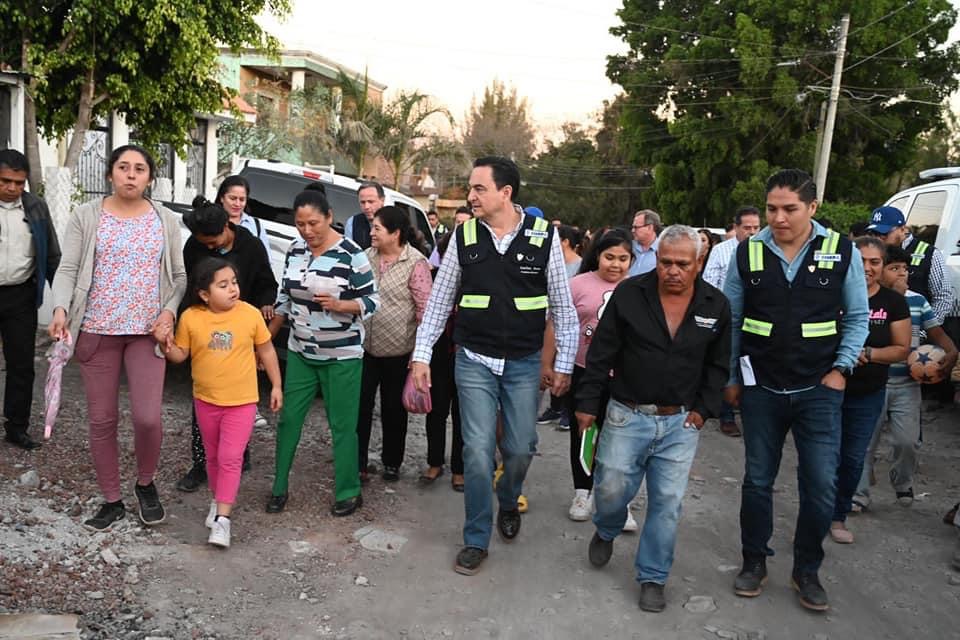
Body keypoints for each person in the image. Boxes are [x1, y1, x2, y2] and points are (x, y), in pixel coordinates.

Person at [410, 156, 578, 576]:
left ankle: (509, 497)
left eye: (479, 188)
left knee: (520, 449)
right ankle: (475, 536)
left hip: (523, 362)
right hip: (474, 360)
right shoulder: (463, 237)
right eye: (471, 188)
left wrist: (565, 364)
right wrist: (421, 355)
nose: (470, 196)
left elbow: (562, 305)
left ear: (506, 192)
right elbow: (440, 300)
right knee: (478, 452)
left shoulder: (543, 238)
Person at [724, 169, 869, 612]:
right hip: (761, 388)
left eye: (790, 209)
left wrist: (841, 369)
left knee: (821, 486)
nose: (779, 218)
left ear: (813, 208)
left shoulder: (841, 250)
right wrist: (731, 377)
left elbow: (858, 316)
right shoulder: (748, 252)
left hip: (818, 389)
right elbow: (732, 320)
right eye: (772, 208)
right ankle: (754, 561)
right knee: (757, 483)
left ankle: (807, 569)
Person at [577, 225, 730, 612]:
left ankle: (653, 577)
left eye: (682, 264)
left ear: (699, 263)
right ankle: (607, 528)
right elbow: (602, 353)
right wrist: (588, 404)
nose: (672, 271)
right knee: (610, 488)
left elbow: (718, 364)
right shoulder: (630, 294)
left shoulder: (716, 305)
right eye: (665, 262)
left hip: (680, 423)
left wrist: (703, 411)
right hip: (627, 416)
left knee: (667, 501)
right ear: (656, 260)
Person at [49, 144, 187, 531]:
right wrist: (60, 308)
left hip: (147, 334)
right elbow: (69, 268)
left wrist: (168, 311)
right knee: (102, 419)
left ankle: (145, 483)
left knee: (147, 418)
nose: (130, 174)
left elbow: (179, 278)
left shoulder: (166, 220)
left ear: (149, 177)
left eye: (139, 168)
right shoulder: (86, 216)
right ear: (110, 173)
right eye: (123, 167)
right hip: (96, 329)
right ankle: (112, 500)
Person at [265, 190, 379, 517]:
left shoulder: (351, 254)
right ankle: (279, 487)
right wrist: (267, 343)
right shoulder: (296, 249)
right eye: (300, 224)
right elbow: (284, 298)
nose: (307, 230)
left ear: (329, 217)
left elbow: (373, 301)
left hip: (341, 355)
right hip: (300, 350)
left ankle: (348, 491)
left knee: (342, 425)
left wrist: (343, 305)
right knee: (288, 420)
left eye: (313, 223)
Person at [156, 258, 283, 548]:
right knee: (212, 457)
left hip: (242, 402)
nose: (232, 289)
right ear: (204, 294)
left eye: (234, 283)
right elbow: (180, 356)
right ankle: (219, 499)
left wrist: (276, 385)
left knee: (230, 457)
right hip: (206, 401)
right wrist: (166, 346)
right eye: (223, 285)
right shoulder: (191, 317)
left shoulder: (249, 315)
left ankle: (223, 520)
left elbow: (266, 350)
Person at [175, 197, 279, 492]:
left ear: (227, 226)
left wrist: (266, 304)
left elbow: (267, 283)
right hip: (206, 332)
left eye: (213, 241)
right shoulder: (194, 247)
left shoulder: (251, 246)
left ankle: (237, 456)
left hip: (241, 332)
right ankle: (201, 465)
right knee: (204, 400)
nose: (209, 248)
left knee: (239, 402)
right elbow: (191, 286)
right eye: (203, 243)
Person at [540, 229, 634, 523]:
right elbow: (555, 326)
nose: (615, 265)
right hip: (582, 372)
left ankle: (617, 500)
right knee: (585, 434)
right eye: (609, 257)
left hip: (624, 377)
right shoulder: (577, 284)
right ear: (597, 256)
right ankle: (583, 491)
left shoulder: (638, 289)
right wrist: (549, 365)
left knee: (619, 439)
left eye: (623, 258)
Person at [854, 245, 957, 511]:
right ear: (880, 272)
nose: (902, 274)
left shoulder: (918, 301)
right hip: (874, 382)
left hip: (907, 383)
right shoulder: (865, 299)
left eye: (905, 269)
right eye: (894, 268)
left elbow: (935, 332)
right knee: (866, 441)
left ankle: (902, 482)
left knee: (907, 441)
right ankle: (859, 493)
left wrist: (951, 349)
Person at [828, 237, 910, 545]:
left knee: (852, 459)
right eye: (859, 261)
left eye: (874, 262)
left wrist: (870, 354)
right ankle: (816, 512)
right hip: (828, 391)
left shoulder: (893, 303)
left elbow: (902, 349)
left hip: (867, 394)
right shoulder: (830, 296)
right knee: (824, 456)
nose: (866, 268)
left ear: (883, 266)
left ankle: (837, 516)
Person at [357, 206, 431, 482]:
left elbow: (425, 311)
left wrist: (419, 355)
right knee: (360, 407)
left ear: (396, 233)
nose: (371, 232)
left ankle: (392, 462)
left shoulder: (416, 263)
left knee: (393, 409)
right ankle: (358, 463)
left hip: (399, 351)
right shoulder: (365, 257)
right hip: (364, 349)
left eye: (377, 228)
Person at [0, 149, 61, 450]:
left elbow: (51, 255)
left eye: (18, 182)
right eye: (5, 181)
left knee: (22, 365)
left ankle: (17, 427)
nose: (11, 188)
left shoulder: (36, 207)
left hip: (21, 295)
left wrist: (64, 302)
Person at [703, 206, 762, 437]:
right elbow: (710, 283)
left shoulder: (766, 251)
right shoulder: (722, 251)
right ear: (735, 227)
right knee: (728, 364)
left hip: (757, 320)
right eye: (747, 227)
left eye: (756, 227)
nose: (751, 232)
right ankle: (726, 415)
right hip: (727, 317)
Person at [423, 230, 465, 491]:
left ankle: (459, 469)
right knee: (436, 411)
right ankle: (434, 462)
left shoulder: (477, 280)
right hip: (438, 355)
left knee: (463, 415)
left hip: (467, 356)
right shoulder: (432, 278)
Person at [866, 206, 953, 325]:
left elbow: (943, 298)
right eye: (873, 233)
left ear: (903, 230)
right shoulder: (870, 253)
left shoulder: (929, 253)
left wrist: (924, 329)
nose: (877, 238)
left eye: (883, 234)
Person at [216, 175, 270, 257]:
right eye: (232, 198)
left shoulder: (256, 225)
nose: (237, 204)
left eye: (242, 199)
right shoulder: (211, 221)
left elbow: (266, 260)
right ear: (222, 198)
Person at [343, 181, 385, 250]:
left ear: (382, 200)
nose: (366, 207)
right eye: (362, 202)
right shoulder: (352, 222)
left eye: (371, 202)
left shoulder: (394, 223)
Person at [628, 210, 662, 277]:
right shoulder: (628, 247)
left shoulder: (663, 250)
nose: (632, 230)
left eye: (636, 227)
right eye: (632, 227)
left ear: (650, 228)